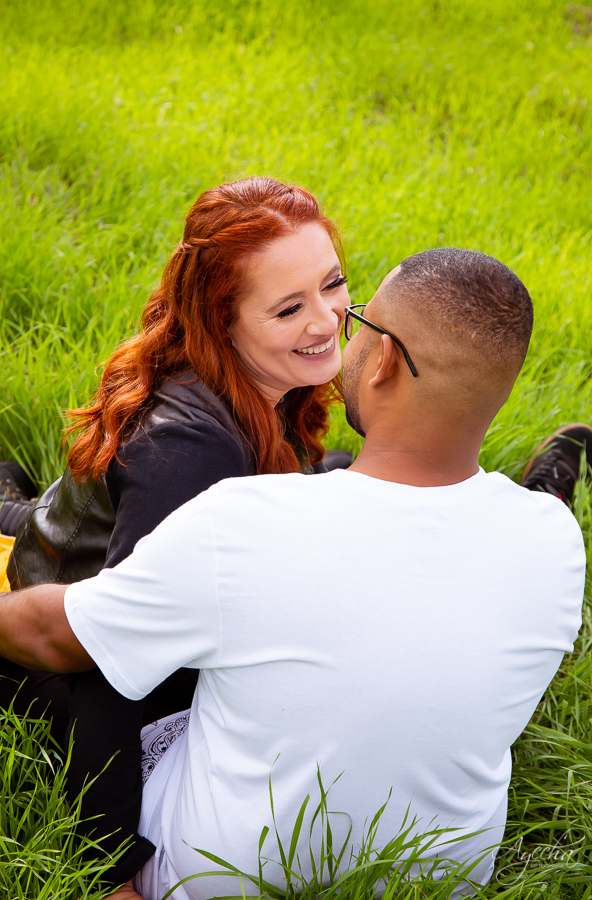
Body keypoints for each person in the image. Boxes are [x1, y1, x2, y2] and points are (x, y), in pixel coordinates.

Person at [0, 248, 588, 899]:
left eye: (356, 319)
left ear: (385, 359)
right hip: (434, 883)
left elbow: (56, 638)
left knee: (111, 649)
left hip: (206, 880)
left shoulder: (246, 523)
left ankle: (14, 506)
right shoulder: (554, 540)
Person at [0, 176, 353, 889]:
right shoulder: (188, 453)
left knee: (341, 475)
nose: (326, 319)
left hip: (95, 531)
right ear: (223, 322)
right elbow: (115, 669)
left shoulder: (260, 377)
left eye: (334, 283)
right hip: (61, 632)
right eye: (288, 307)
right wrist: (117, 873)